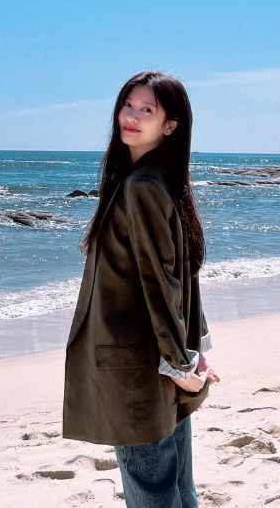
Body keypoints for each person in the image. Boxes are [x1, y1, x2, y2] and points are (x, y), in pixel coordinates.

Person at [62, 71, 220, 508]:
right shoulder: (157, 180)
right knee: (177, 488)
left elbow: (161, 282)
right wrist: (191, 352)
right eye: (127, 105)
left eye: (147, 109)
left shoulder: (142, 187)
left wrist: (182, 364)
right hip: (159, 357)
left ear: (170, 125)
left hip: (138, 366)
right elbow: (178, 277)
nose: (131, 116)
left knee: (155, 493)